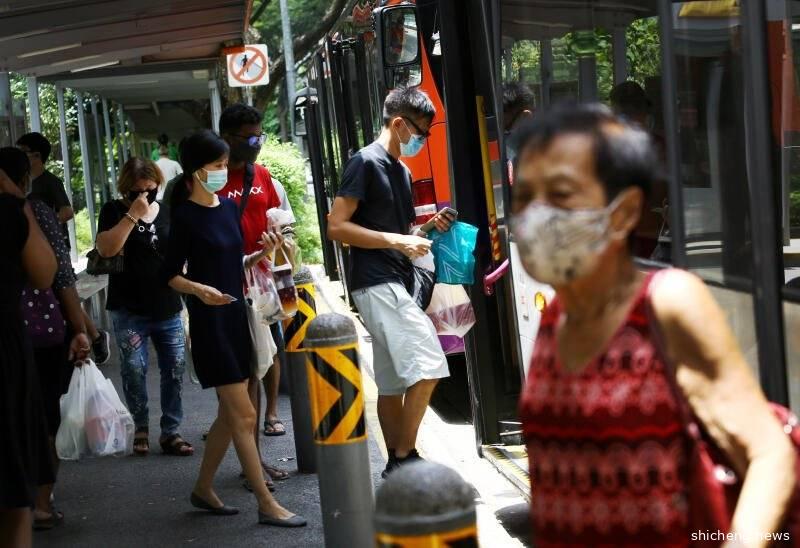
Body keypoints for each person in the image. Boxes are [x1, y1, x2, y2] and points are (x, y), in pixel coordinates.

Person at [511, 103, 796, 546]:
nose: (534, 215)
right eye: (525, 196)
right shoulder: (554, 317)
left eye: (561, 195)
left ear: (623, 212)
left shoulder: (667, 302)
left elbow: (768, 453)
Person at [163, 129, 305, 527]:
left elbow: (233, 262)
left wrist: (263, 251)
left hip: (235, 316)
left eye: (225, 165)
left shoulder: (226, 209)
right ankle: (265, 502)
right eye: (217, 166)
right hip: (209, 324)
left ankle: (203, 489)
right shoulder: (186, 217)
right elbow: (168, 275)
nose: (224, 172)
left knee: (230, 416)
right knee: (243, 415)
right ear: (195, 170)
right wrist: (199, 290)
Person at [327, 87, 454, 477]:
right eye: (422, 131)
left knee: (394, 380)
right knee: (430, 365)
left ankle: (397, 463)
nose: (424, 139)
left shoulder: (401, 170)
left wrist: (424, 230)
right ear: (398, 124)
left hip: (394, 279)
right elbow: (336, 227)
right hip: (376, 282)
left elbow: (398, 230)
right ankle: (404, 456)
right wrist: (397, 240)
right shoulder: (364, 162)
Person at [0, 147, 90, 531]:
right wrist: (80, 323)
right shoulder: (23, 212)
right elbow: (53, 273)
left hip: (21, 340)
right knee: (35, 423)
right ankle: (39, 501)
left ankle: (35, 500)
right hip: (23, 341)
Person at [95, 157, 192, 457]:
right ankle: (141, 426)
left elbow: (180, 252)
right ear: (126, 189)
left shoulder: (168, 213)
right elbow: (106, 249)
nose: (143, 197)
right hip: (128, 308)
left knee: (174, 369)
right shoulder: (113, 210)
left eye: (149, 190)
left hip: (167, 304)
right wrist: (132, 216)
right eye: (136, 191)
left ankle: (170, 431)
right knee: (134, 369)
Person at [217, 104, 290, 487]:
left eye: (260, 136)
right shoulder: (209, 178)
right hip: (224, 290)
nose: (257, 144)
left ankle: (254, 463)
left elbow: (280, 224)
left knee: (258, 370)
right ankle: (252, 468)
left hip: (260, 289)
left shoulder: (262, 175)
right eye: (249, 138)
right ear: (226, 137)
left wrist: (281, 244)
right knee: (242, 378)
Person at [16, 131, 112, 365]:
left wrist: (43, 230)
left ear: (36, 156)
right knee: (64, 294)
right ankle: (94, 335)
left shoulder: (49, 182)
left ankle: (90, 335)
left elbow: (67, 211)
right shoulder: (27, 185)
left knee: (64, 291)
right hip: (40, 253)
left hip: (53, 250)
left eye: (23, 152)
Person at [0, 168, 57, 548]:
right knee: (11, 484)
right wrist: (19, 203)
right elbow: (45, 273)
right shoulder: (8, 211)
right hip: (4, 355)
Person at [154, 136, 183, 201]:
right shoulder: (175, 163)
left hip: (159, 197)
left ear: (158, 152)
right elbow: (182, 178)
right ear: (168, 151)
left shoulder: (154, 165)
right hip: (172, 196)